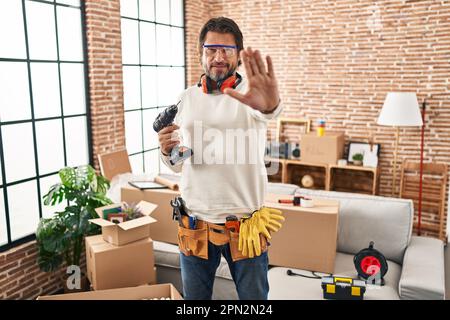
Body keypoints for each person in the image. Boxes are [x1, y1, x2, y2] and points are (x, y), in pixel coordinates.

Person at [158, 17, 284, 300]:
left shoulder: (251, 97)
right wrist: (167, 152)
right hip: (194, 226)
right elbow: (178, 162)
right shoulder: (185, 98)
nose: (218, 57)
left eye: (226, 50)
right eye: (211, 49)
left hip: (246, 227)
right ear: (201, 53)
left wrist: (270, 105)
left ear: (238, 55)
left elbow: (268, 111)